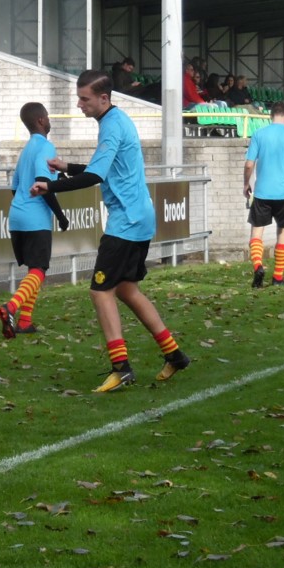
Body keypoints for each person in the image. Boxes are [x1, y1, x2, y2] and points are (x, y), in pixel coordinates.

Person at [31, 69, 190, 392]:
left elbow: (94, 177)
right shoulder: (115, 121)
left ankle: (121, 367)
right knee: (127, 290)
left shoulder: (112, 126)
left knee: (100, 290)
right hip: (139, 217)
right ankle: (174, 354)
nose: (79, 104)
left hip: (127, 221)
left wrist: (50, 186)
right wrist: (66, 167)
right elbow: (103, 169)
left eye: (84, 98)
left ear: (104, 98)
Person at [0, 102, 69, 338]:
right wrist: (60, 216)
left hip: (17, 217)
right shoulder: (46, 147)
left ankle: (25, 321)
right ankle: (11, 307)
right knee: (39, 270)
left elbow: (15, 186)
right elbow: (42, 183)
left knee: (33, 270)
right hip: (35, 219)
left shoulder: (26, 150)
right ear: (41, 120)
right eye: (47, 116)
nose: (49, 120)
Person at [243, 102, 284, 288]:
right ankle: (277, 277)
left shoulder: (259, 134)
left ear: (270, 115)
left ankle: (258, 266)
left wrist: (246, 183)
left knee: (257, 231)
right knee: (282, 231)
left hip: (262, 191)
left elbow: (249, 164)